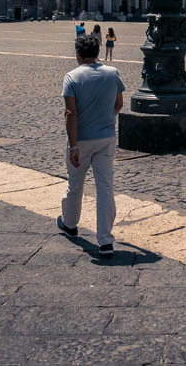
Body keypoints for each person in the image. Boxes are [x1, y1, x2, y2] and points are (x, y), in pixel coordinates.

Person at [58, 35, 125, 257]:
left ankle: (70, 224)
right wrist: (105, 120)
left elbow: (70, 113)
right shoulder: (112, 73)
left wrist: (73, 146)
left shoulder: (71, 77)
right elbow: (119, 104)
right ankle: (105, 240)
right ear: (97, 52)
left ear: (78, 53)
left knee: (75, 185)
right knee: (105, 187)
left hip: (82, 140)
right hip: (106, 138)